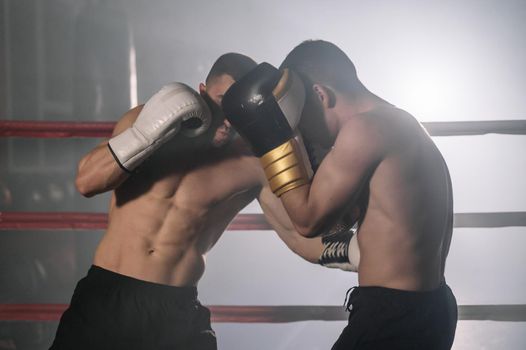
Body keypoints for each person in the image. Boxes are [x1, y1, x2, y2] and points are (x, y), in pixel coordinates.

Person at [50, 53, 359, 350]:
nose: (227, 120)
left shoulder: (254, 163)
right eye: (221, 102)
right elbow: (86, 182)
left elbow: (297, 235)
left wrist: (361, 252)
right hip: (109, 295)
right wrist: (146, 134)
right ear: (201, 91)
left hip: (177, 311)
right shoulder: (145, 118)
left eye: (238, 110)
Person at [222, 40, 457, 349]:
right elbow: (343, 222)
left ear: (321, 95)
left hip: (392, 318)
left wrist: (273, 140)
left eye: (301, 117)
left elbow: (308, 222)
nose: (304, 131)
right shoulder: (405, 124)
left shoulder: (364, 131)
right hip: (433, 307)